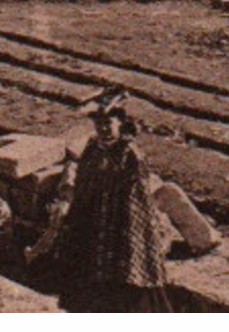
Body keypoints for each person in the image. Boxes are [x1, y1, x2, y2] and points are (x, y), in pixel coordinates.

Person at [49, 89, 172, 312]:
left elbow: (138, 194)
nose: (104, 129)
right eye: (100, 125)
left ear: (120, 124)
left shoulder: (130, 152)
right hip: (95, 218)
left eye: (109, 124)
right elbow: (84, 180)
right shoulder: (93, 148)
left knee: (126, 273)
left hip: (123, 222)